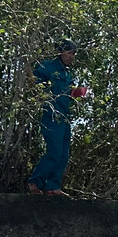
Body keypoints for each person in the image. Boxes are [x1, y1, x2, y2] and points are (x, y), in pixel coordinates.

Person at [26, 40, 85, 196]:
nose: (72, 56)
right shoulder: (48, 67)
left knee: (64, 154)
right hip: (51, 116)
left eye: (74, 53)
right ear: (60, 51)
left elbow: (70, 94)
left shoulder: (67, 73)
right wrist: (28, 69)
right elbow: (34, 83)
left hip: (65, 118)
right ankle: (35, 181)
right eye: (69, 52)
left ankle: (52, 186)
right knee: (54, 152)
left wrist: (82, 92)